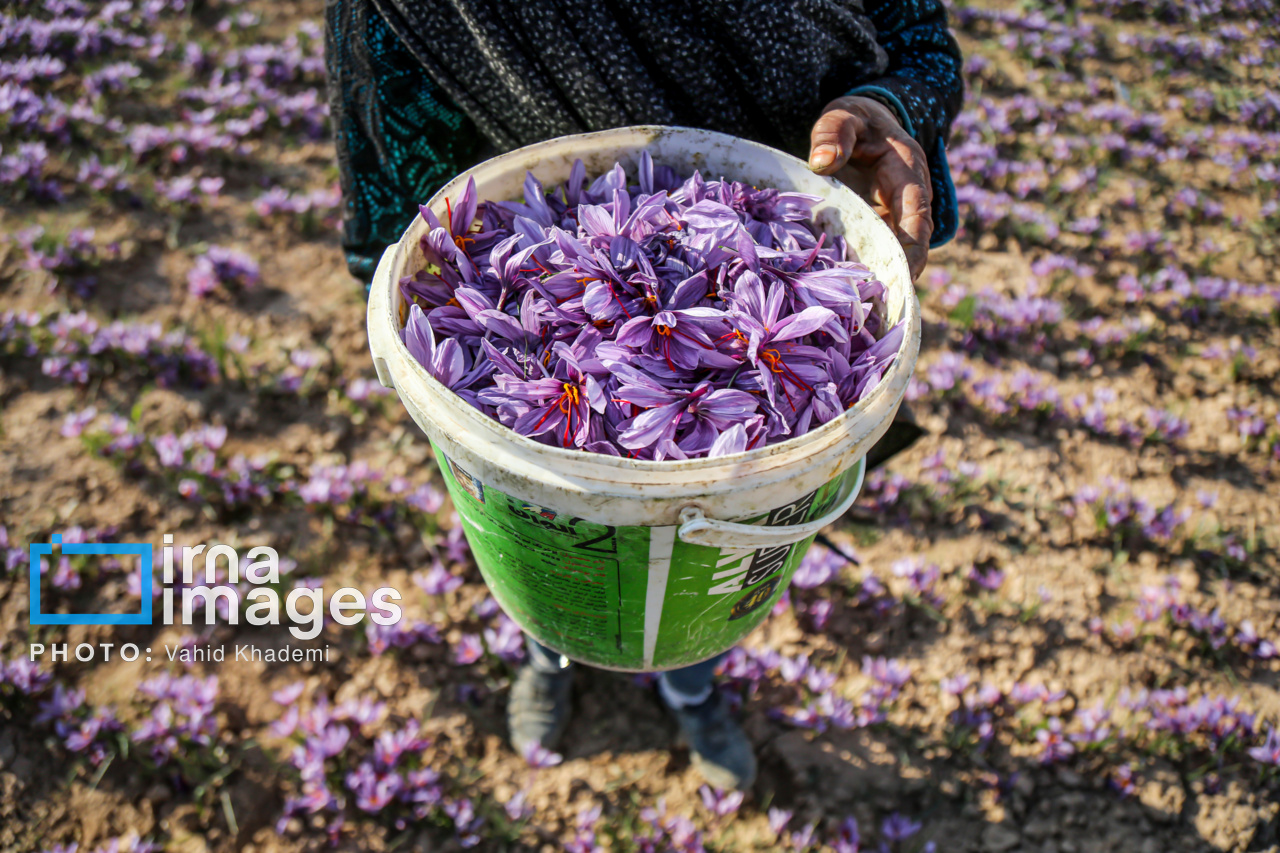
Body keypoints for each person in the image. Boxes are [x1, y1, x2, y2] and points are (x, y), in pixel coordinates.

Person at [326, 0, 963, 791]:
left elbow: (918, 35)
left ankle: (693, 684)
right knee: (547, 541)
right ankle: (549, 653)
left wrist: (889, 106)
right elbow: (403, 208)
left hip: (773, 229)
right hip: (523, 291)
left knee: (717, 564)